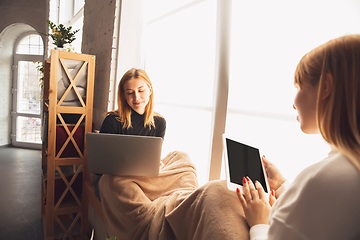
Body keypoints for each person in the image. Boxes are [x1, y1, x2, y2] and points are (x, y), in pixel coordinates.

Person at [237, 34, 360, 239]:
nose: (294, 103)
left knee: (213, 195)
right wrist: (284, 185)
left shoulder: (322, 180)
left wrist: (259, 223)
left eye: (299, 87)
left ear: (325, 87)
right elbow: (321, 215)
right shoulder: (347, 170)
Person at [94, 68, 166, 200]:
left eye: (141, 90)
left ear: (150, 90)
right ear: (124, 95)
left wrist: (157, 162)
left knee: (183, 160)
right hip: (113, 180)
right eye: (130, 92)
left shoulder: (159, 122)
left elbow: (153, 158)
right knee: (128, 190)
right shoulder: (112, 121)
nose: (136, 97)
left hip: (144, 179)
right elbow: (100, 169)